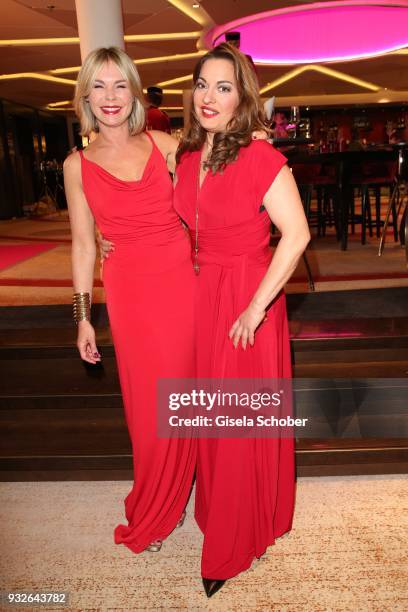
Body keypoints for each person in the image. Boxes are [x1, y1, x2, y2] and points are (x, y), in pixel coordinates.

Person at [173, 43, 310, 596]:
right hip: (201, 296)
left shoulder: (262, 159)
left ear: (242, 97)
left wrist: (255, 307)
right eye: (203, 84)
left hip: (246, 301)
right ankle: (236, 510)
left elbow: (297, 236)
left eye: (223, 87)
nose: (209, 97)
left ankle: (227, 548)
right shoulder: (185, 156)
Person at [63, 47, 196, 555]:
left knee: (180, 391)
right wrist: (83, 318)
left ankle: (180, 491)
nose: (111, 97)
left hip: (180, 281)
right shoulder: (77, 165)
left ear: (135, 93)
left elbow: (207, 199)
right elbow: (82, 242)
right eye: (100, 86)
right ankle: (158, 501)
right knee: (147, 405)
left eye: (121, 85)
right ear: (86, 97)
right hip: (129, 292)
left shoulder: (165, 144)